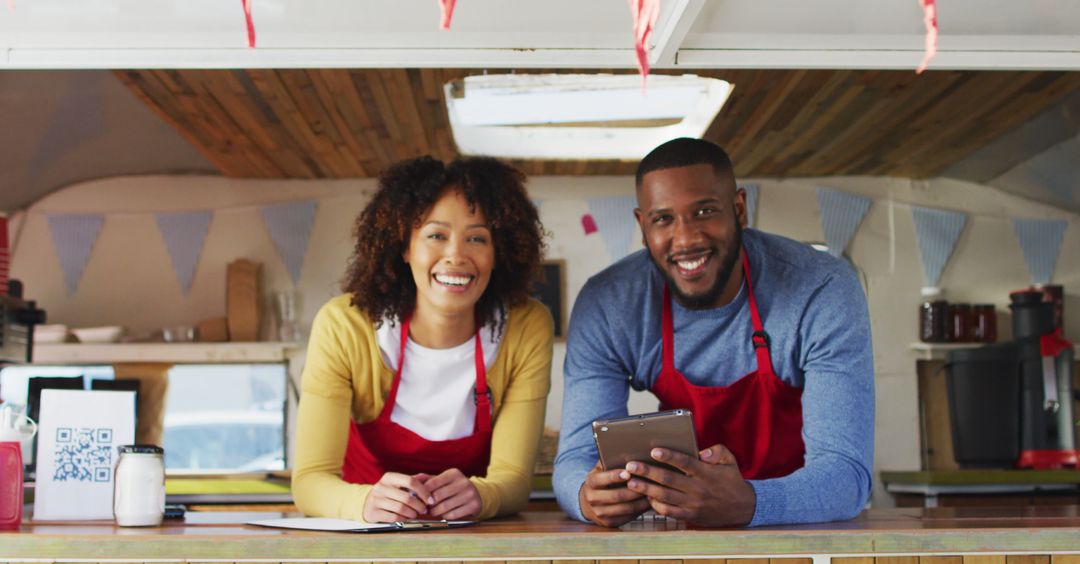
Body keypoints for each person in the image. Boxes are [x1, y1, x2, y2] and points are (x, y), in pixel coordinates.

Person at [553, 138, 874, 528]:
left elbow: (846, 476)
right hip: (679, 529)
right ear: (642, 226)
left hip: (801, 526)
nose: (686, 239)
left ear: (739, 210)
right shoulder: (609, 304)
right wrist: (588, 498)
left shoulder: (821, 288)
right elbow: (575, 461)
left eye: (705, 211)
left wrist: (751, 503)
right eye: (663, 219)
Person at [293, 156, 553, 523]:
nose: (456, 256)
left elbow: (513, 480)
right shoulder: (344, 325)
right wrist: (365, 502)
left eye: (477, 238)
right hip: (361, 539)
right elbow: (309, 483)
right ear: (404, 247)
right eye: (436, 235)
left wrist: (484, 494)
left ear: (499, 253)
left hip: (471, 544)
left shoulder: (526, 326)